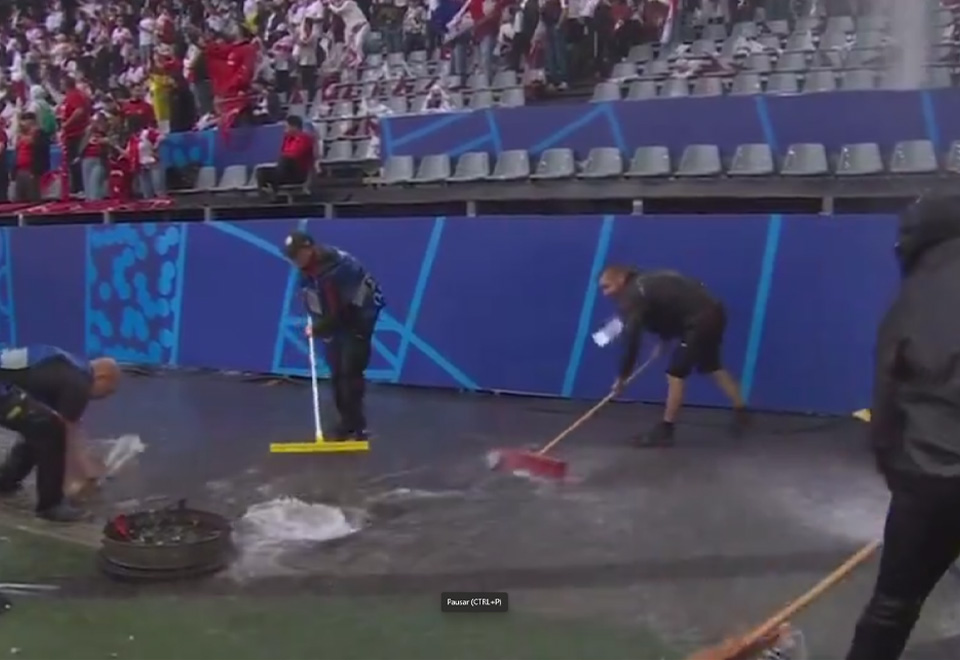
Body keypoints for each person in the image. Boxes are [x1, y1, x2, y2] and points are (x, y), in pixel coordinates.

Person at [845, 194, 960, 660]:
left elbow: (886, 406)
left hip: (929, 477)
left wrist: (902, 480)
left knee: (893, 605)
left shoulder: (912, 300)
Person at [599, 265, 749, 447]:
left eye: (607, 287)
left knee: (675, 373)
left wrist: (622, 378)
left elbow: (632, 340)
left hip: (699, 320)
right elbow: (670, 310)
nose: (605, 293)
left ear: (621, 280)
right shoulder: (647, 283)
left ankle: (666, 430)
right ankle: (742, 412)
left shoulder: (633, 295)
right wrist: (664, 341)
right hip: (714, 313)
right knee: (712, 366)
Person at [0, 346, 121, 522]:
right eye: (109, 391)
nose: (104, 398)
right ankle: (51, 506)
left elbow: (69, 425)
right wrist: (85, 474)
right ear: (102, 377)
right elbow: (67, 433)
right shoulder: (80, 382)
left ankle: (6, 482)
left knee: (39, 424)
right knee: (49, 429)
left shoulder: (66, 365)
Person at [283, 231, 384, 441]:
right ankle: (345, 424)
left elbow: (343, 311)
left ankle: (357, 427)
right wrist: (317, 320)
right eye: (291, 257)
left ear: (309, 248)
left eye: (297, 255)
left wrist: (318, 329)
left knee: (350, 373)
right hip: (336, 322)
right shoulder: (308, 271)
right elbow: (315, 300)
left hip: (357, 320)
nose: (294, 261)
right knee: (337, 373)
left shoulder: (335, 270)